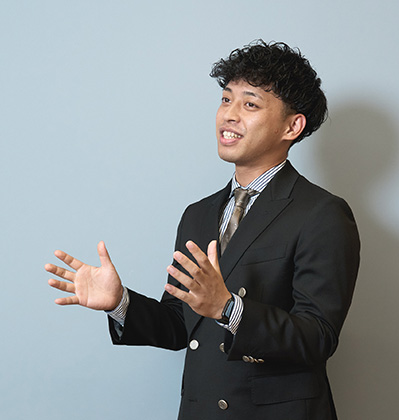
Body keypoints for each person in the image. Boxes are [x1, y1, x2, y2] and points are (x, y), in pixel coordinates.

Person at [46, 40, 360, 420]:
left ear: (292, 126)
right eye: (226, 100)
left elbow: (318, 337)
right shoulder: (198, 214)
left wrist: (229, 309)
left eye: (250, 104)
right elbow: (181, 324)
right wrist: (120, 302)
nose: (229, 115)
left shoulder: (322, 214)